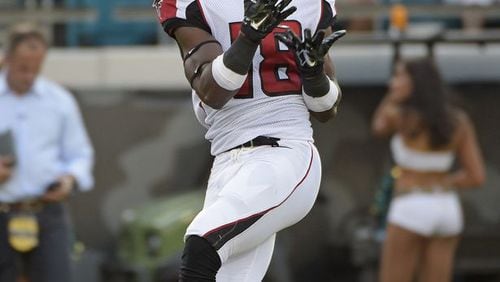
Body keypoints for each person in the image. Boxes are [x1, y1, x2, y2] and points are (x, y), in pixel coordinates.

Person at [153, 0, 345, 280]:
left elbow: (326, 109)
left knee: (201, 240)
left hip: (285, 153)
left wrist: (314, 75)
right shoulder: (197, 4)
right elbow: (212, 92)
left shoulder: (310, 4)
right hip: (226, 163)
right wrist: (248, 39)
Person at [372, 57, 485, 282]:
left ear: (416, 83)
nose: (393, 82)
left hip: (409, 207)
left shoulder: (400, 116)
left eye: (399, 76)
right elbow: (476, 176)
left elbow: (377, 127)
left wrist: (391, 96)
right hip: (447, 209)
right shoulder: (458, 121)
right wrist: (444, 183)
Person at [0, 23, 94, 282]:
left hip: (48, 214)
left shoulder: (60, 101)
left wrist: (69, 180)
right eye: (22, 67)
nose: (29, 75)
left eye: (36, 67)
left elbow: (80, 154)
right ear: (6, 59)